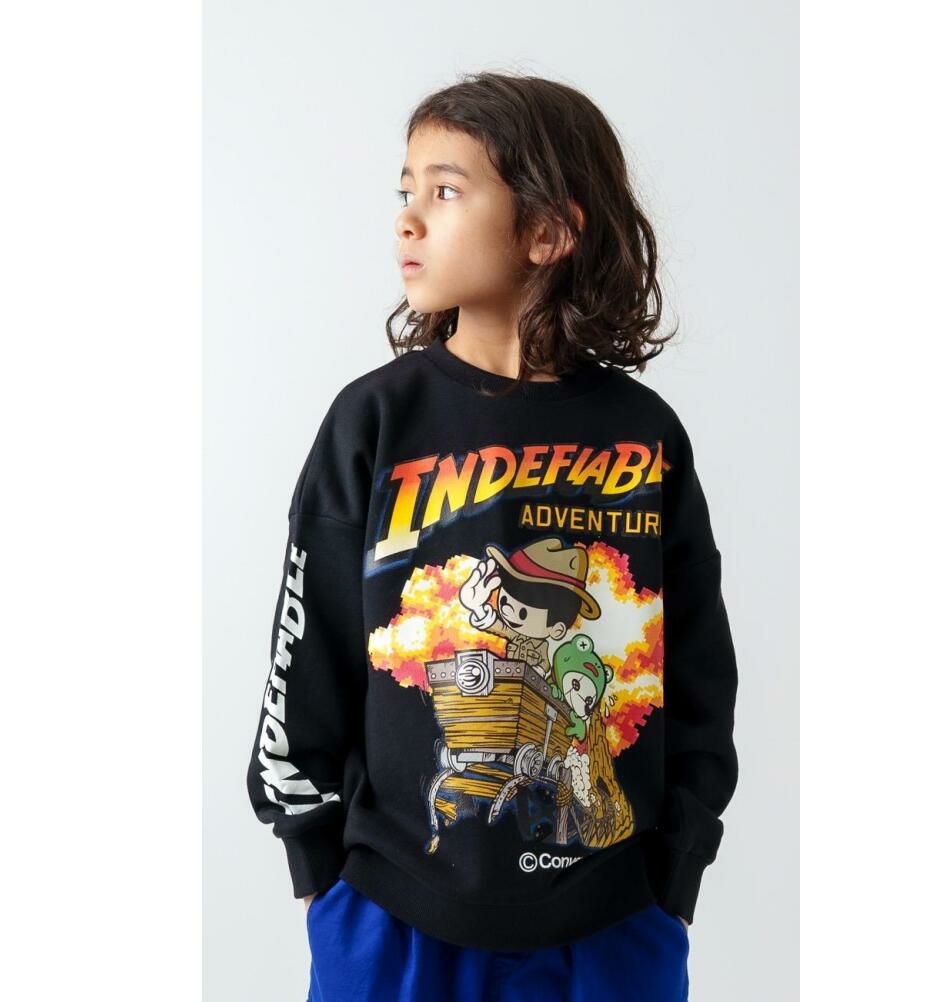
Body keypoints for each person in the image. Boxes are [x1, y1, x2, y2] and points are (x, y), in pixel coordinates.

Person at [246, 70, 738, 1002]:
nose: (407, 219)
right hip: (390, 916)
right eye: (406, 191)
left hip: (611, 922)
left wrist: (674, 876)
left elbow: (700, 669)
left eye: (445, 190)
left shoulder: (645, 437)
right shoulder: (373, 422)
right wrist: (318, 869)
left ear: (546, 231)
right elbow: (307, 652)